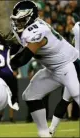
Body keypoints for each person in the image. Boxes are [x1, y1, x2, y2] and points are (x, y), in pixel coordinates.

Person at [9, 1, 79, 137]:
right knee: (30, 95)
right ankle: (45, 134)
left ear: (30, 18)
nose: (18, 23)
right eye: (17, 20)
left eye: (22, 20)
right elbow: (14, 45)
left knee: (77, 95)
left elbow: (24, 58)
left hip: (69, 65)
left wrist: (6, 65)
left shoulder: (38, 31)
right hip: (53, 69)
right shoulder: (29, 29)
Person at [49, 21, 80, 136]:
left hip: (75, 66)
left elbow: (73, 32)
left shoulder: (77, 27)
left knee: (65, 101)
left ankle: (51, 130)